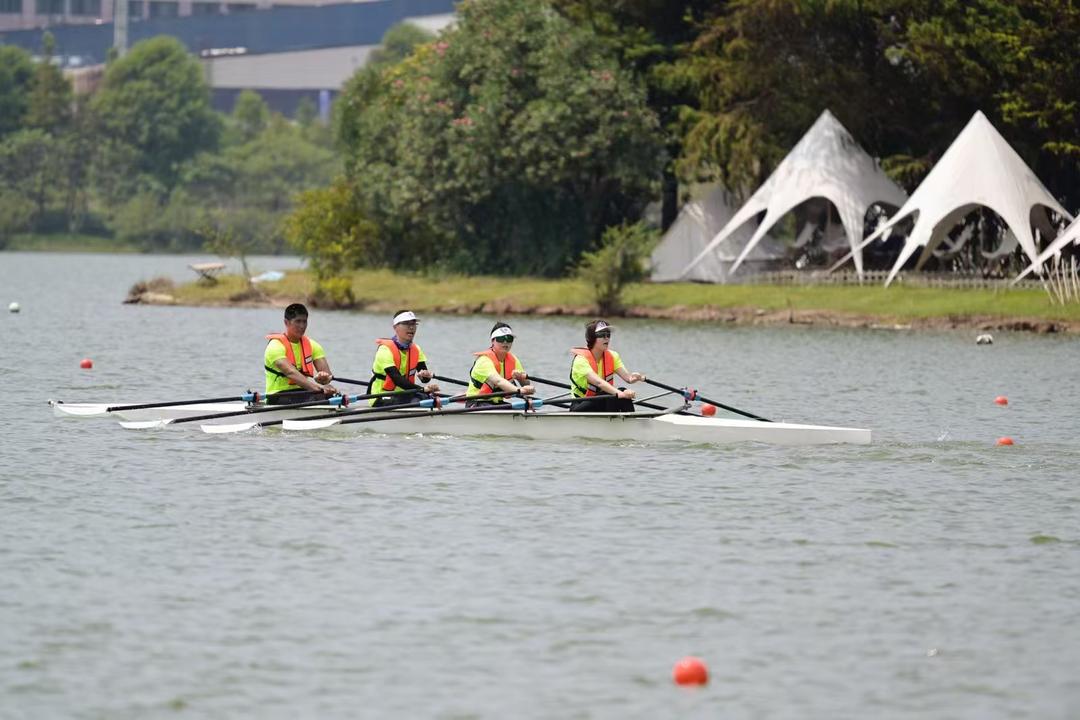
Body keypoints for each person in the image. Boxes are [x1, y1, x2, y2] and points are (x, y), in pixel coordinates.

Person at [264, 303, 339, 405]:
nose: (302, 326)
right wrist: (318, 389)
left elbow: (327, 378)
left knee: (334, 396)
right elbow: (291, 373)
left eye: (304, 322)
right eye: (298, 321)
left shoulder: (313, 345)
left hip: (303, 392)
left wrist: (323, 378)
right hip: (277, 395)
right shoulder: (275, 346)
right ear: (286, 323)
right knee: (321, 397)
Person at [568, 319, 645, 412]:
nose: (607, 338)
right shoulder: (580, 360)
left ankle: (630, 423)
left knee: (622, 392)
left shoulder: (613, 356)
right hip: (580, 404)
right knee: (612, 394)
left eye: (608, 335)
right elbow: (599, 383)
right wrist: (620, 393)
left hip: (602, 401)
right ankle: (614, 423)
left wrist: (634, 378)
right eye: (602, 335)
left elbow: (628, 378)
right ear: (592, 338)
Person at [369, 310, 439, 406]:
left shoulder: (416, 349)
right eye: (406, 324)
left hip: (406, 394)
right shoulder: (385, 350)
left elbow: (425, 380)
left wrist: (425, 376)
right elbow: (397, 379)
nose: (411, 327)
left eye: (414, 324)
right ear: (395, 327)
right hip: (381, 395)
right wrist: (422, 390)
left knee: (429, 399)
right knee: (421, 399)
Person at [465, 321, 535, 406]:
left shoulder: (513, 360)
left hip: (497, 403)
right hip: (476, 403)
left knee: (522, 409)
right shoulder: (484, 360)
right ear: (492, 341)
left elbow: (526, 384)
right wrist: (519, 390)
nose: (505, 342)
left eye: (509, 339)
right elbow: (498, 381)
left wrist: (521, 379)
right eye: (501, 339)